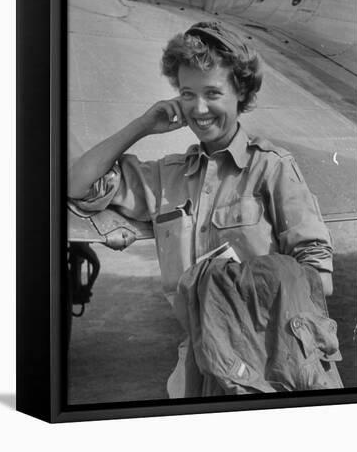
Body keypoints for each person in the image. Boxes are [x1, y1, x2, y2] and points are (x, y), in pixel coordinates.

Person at [68, 20, 338, 396]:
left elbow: (319, 279)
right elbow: (77, 184)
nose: (199, 108)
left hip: (270, 368)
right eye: (186, 93)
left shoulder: (271, 168)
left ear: (240, 91)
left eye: (213, 92)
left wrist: (228, 287)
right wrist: (144, 124)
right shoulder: (169, 177)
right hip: (197, 370)